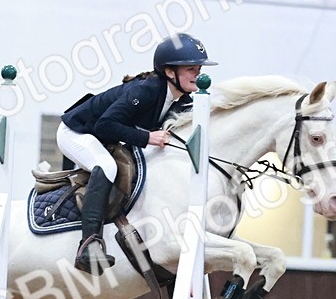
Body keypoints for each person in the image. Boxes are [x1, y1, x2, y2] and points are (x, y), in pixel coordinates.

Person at [59, 33, 218, 274]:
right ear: (169, 72)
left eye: (199, 68)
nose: (198, 74)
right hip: (76, 132)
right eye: (191, 69)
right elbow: (104, 124)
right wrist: (147, 137)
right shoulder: (146, 90)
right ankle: (89, 244)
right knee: (107, 166)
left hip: (105, 138)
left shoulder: (183, 100)